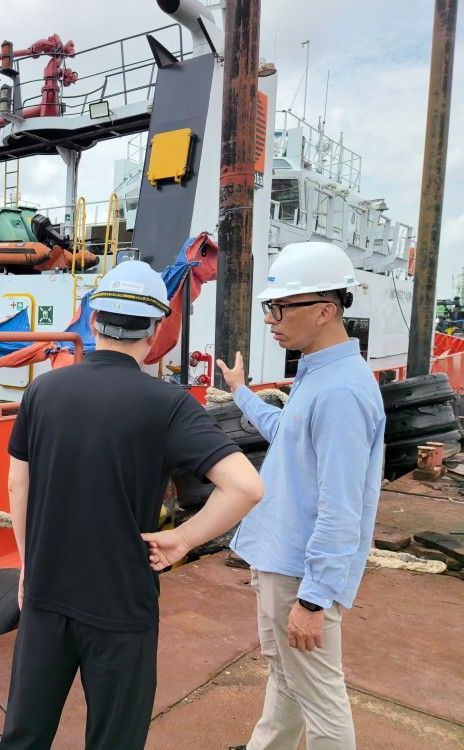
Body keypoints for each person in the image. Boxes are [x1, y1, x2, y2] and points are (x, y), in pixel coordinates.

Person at [1, 259, 263, 750]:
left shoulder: (42, 390)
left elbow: (19, 485)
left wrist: (26, 567)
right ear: (156, 328)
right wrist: (183, 539)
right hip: (122, 604)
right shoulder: (169, 404)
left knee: (24, 735)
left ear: (94, 320)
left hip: (45, 593)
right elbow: (246, 487)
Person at [214, 241, 386, 750]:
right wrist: (241, 391)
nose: (272, 318)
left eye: (281, 307)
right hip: (283, 562)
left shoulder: (340, 392)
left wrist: (313, 599)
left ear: (326, 310)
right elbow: (287, 429)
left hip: (299, 573)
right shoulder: (320, 375)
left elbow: (342, 507)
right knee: (287, 680)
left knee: (321, 698)